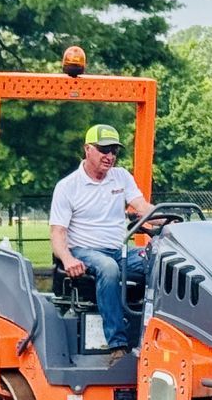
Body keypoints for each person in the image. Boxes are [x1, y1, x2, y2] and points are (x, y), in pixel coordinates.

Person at [49, 124, 152, 357]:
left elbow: (143, 208)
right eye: (104, 150)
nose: (110, 156)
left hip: (118, 250)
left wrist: (169, 219)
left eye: (114, 151)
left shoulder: (121, 177)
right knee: (108, 268)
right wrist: (67, 259)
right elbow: (57, 233)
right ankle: (117, 345)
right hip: (84, 251)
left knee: (160, 261)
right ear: (88, 149)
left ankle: (154, 335)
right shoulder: (68, 187)